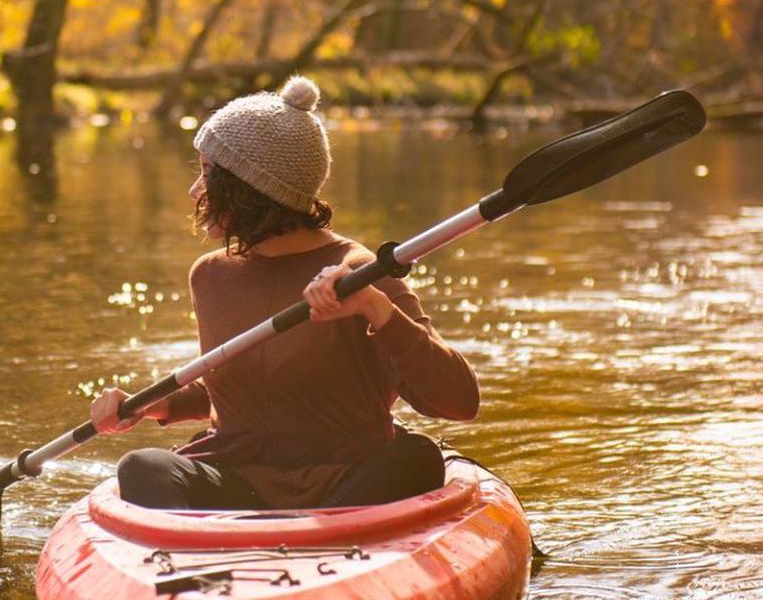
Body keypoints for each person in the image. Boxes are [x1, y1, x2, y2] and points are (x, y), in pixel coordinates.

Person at [90, 76, 479, 511]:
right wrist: (150, 406)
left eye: (205, 174)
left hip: (348, 483)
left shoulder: (361, 274)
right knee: (140, 467)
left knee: (418, 457)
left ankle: (327, 538)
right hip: (238, 485)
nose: (194, 192)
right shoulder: (211, 277)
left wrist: (376, 309)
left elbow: (459, 400)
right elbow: (242, 391)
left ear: (250, 187)